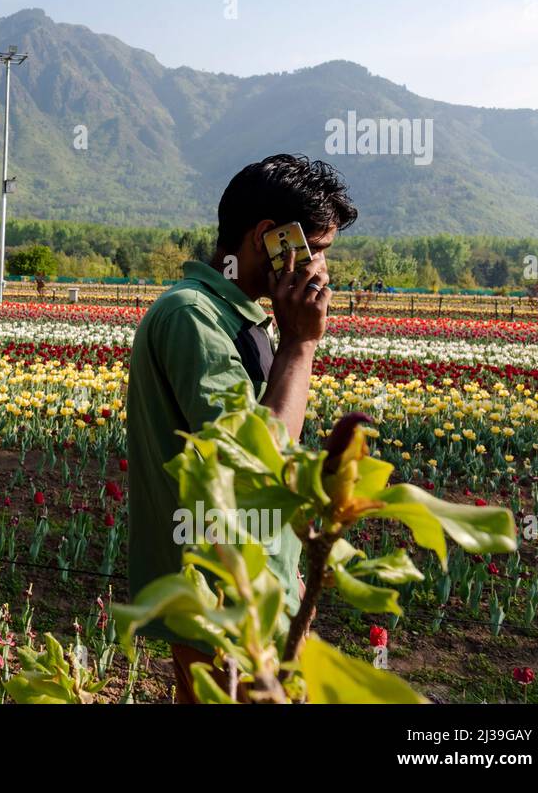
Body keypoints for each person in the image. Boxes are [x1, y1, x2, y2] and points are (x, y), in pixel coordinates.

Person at [126, 153, 357, 702]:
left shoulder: (237, 316)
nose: (323, 269)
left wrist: (285, 566)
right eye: (317, 249)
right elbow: (257, 460)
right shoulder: (193, 316)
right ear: (269, 238)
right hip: (220, 598)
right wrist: (301, 343)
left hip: (249, 583)